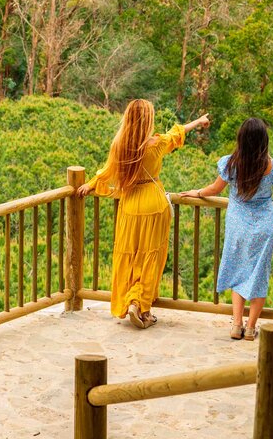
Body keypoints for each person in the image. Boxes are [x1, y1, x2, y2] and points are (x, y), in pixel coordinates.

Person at [88, 99, 209, 328]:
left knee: (131, 255)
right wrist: (198, 121)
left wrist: (90, 185)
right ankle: (141, 306)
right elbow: (176, 133)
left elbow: (106, 172)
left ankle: (133, 301)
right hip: (154, 203)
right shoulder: (156, 144)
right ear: (148, 120)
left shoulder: (120, 146)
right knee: (150, 257)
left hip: (131, 205)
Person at [184, 117, 273, 341]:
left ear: (241, 139)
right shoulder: (271, 165)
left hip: (238, 224)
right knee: (259, 274)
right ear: (264, 141)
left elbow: (215, 189)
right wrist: (269, 159)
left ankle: (237, 325)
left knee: (238, 270)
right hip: (265, 226)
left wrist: (197, 193)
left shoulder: (232, 164)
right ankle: (251, 328)